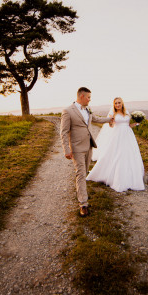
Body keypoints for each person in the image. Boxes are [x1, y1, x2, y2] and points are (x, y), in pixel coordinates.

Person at [60, 87, 114, 217]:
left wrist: (110, 119)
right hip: (77, 149)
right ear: (82, 96)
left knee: (84, 173)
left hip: (88, 146)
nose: (90, 99)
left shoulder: (88, 109)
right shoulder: (68, 111)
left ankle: (81, 193)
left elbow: (95, 119)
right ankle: (83, 204)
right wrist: (66, 150)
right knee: (80, 174)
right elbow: (64, 132)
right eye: (89, 97)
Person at [86, 97, 145, 192]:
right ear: (114, 105)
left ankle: (130, 177)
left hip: (128, 135)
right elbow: (110, 125)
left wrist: (136, 124)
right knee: (117, 154)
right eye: (116, 103)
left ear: (122, 103)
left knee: (129, 154)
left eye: (119, 103)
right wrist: (111, 123)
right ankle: (114, 176)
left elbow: (128, 125)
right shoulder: (112, 113)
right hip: (117, 135)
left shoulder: (127, 113)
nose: (117, 105)